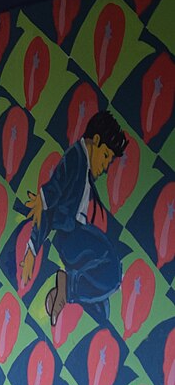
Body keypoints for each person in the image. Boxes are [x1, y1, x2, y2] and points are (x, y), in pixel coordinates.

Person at [20, 110, 128, 324]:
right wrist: (32, 247)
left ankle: (65, 294)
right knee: (112, 270)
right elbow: (50, 198)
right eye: (106, 156)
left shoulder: (82, 164)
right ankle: (68, 288)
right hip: (71, 236)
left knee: (104, 302)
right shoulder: (75, 157)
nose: (106, 166)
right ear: (95, 141)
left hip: (75, 234)